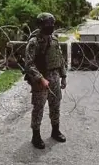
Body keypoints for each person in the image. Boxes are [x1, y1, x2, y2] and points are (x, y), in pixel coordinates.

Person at [24, 12, 67, 149]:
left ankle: (55, 130)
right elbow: (29, 64)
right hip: (41, 79)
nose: (50, 26)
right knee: (39, 108)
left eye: (52, 24)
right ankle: (35, 135)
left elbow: (60, 59)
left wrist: (63, 76)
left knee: (55, 105)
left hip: (54, 77)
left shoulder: (54, 40)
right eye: (47, 24)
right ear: (41, 25)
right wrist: (40, 78)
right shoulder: (34, 42)